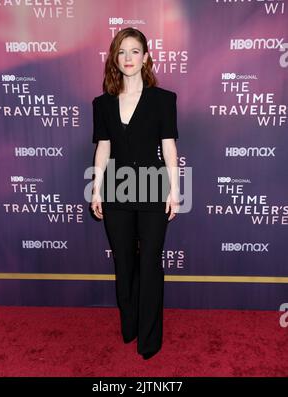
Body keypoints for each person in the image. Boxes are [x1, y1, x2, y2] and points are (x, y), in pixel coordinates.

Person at [91, 27, 179, 360]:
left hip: (155, 188)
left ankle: (150, 338)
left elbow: (169, 148)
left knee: (151, 264)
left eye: (134, 51)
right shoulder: (102, 103)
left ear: (146, 57)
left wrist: (175, 191)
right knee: (125, 263)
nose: (128, 58)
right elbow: (103, 148)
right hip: (116, 190)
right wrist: (96, 189)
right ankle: (130, 326)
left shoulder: (163, 100)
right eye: (121, 52)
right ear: (115, 58)